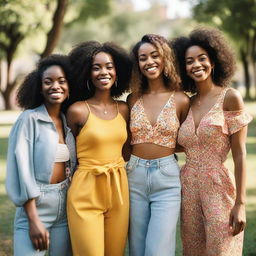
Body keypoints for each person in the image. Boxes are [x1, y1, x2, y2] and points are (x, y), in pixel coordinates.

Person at [171, 26, 252, 255]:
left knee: (221, 249)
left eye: (202, 58)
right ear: (183, 68)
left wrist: (241, 204)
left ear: (214, 61)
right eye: (189, 61)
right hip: (187, 186)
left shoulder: (230, 97)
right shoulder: (187, 103)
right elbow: (181, 142)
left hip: (218, 184)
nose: (196, 65)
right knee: (193, 250)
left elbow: (239, 154)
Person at [6, 54, 76, 256]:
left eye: (62, 81)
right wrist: (33, 219)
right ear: (39, 87)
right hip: (36, 206)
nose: (56, 86)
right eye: (48, 81)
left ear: (69, 87)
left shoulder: (66, 122)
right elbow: (22, 169)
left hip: (64, 206)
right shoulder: (29, 119)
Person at [66, 41, 132, 256]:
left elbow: (127, 150)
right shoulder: (77, 111)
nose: (104, 72)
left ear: (117, 71)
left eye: (109, 66)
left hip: (119, 188)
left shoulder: (124, 109)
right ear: (87, 72)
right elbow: (68, 152)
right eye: (96, 67)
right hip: (86, 188)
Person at [127, 34, 189, 256]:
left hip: (167, 179)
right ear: (138, 64)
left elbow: (188, 139)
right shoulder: (133, 99)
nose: (149, 62)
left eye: (155, 55)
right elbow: (126, 142)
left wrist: (168, 146)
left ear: (165, 59)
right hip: (134, 175)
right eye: (143, 58)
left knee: (158, 250)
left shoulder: (181, 99)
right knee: (137, 247)